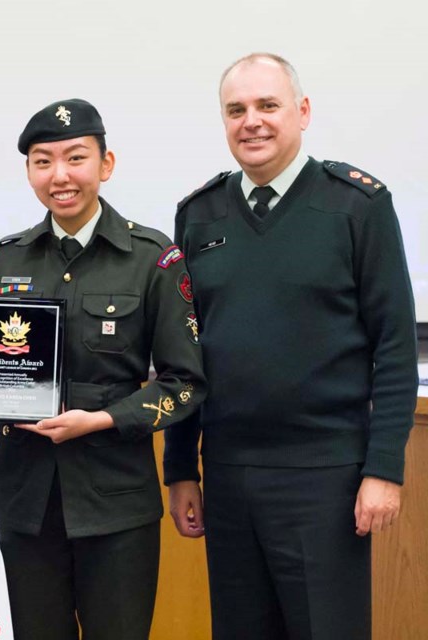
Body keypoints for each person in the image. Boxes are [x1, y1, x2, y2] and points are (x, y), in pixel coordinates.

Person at [163, 53, 419, 640]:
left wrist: (384, 469)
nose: (251, 122)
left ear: (301, 112)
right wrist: (181, 468)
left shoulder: (357, 206)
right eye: (236, 110)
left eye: (267, 106)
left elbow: (394, 347)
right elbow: (184, 355)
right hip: (227, 475)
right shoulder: (198, 215)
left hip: (325, 479)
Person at [0, 99, 206, 640]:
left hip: (115, 503)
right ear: (29, 172)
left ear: (106, 164)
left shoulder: (153, 257)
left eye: (75, 158)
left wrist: (102, 419)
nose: (59, 176)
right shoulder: (7, 257)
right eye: (42, 162)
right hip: (27, 501)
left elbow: (185, 384)